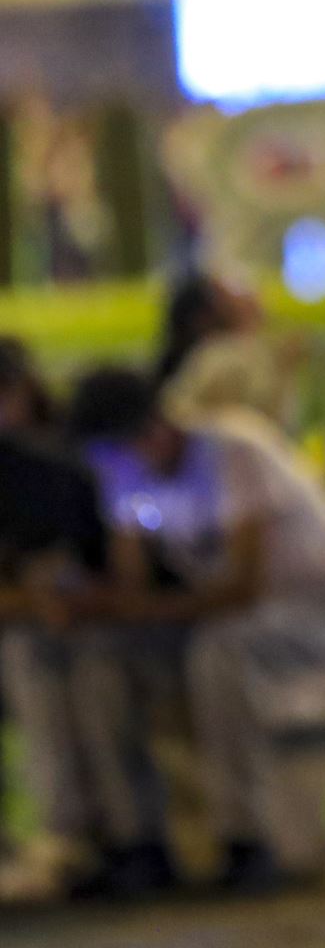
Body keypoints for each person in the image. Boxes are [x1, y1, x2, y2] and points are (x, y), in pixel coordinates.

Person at [69, 368, 325, 887]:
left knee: (222, 651)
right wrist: (111, 602)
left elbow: (243, 587)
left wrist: (140, 608)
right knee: (103, 661)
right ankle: (137, 842)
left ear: (153, 427)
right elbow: (134, 583)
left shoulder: (232, 449)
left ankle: (246, 837)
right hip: (225, 617)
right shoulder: (129, 475)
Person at [0, 341, 169, 901]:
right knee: (35, 662)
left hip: (111, 623)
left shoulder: (65, 467)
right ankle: (72, 837)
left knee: (94, 672)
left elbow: (127, 573)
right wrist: (35, 600)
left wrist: (64, 599)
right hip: (45, 629)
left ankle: (129, 840)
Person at [154, 272, 295, 427]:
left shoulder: (247, 353)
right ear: (204, 319)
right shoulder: (218, 358)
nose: (252, 293)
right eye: (234, 290)